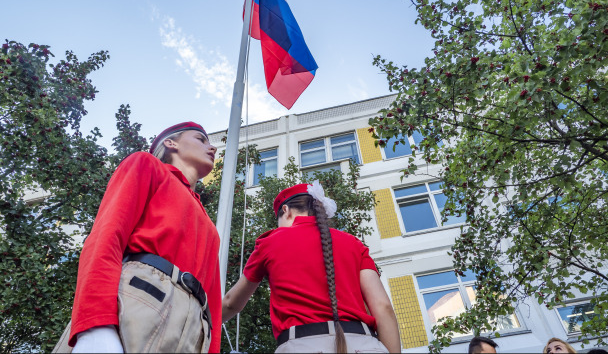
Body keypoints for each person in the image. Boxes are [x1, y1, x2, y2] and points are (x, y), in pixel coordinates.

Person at [52, 122, 220, 353]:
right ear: (171, 143)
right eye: (201, 139)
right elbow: (107, 237)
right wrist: (95, 324)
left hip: (193, 329)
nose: (212, 148)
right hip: (140, 299)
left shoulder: (208, 222)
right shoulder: (147, 165)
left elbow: (212, 301)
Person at [222, 181, 401, 353]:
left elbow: (231, 303)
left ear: (286, 210)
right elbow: (382, 306)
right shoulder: (354, 243)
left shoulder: (269, 243)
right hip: (364, 343)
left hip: (301, 345)